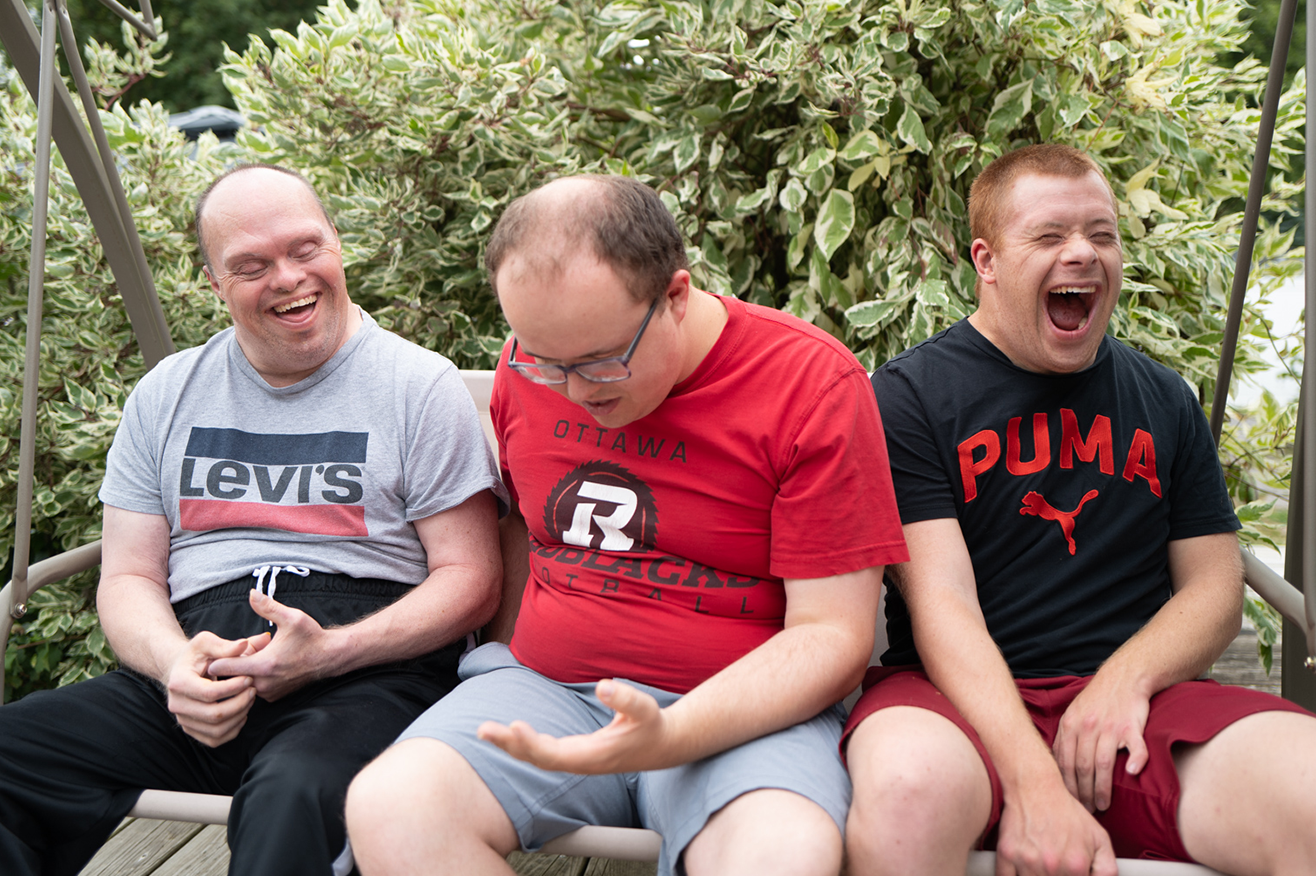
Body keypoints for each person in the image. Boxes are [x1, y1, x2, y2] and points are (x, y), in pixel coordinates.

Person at [345, 174, 908, 876]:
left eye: (600, 365)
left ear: (675, 295)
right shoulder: (530, 369)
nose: (575, 395)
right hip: (547, 691)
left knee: (781, 855)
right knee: (391, 808)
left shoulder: (809, 386)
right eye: (547, 364)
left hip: (740, 712)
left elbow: (833, 634)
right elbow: (525, 527)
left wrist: (671, 734)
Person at [0, 164, 507, 876]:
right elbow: (128, 578)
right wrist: (176, 664)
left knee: (293, 793)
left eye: (305, 249)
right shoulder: (168, 394)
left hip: (363, 672)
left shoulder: (416, 387)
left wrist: (329, 652)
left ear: (337, 244)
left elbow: (473, 580)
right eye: (251, 265)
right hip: (198, 666)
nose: (289, 277)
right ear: (214, 283)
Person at [842, 143, 1316, 876]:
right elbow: (942, 602)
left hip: (1134, 708)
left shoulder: (1164, 400)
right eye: (1050, 236)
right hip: (955, 702)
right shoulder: (908, 399)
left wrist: (1122, 684)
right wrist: (1033, 781)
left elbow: (1215, 590)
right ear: (987, 261)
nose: (1084, 255)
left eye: (1102, 234)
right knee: (907, 795)